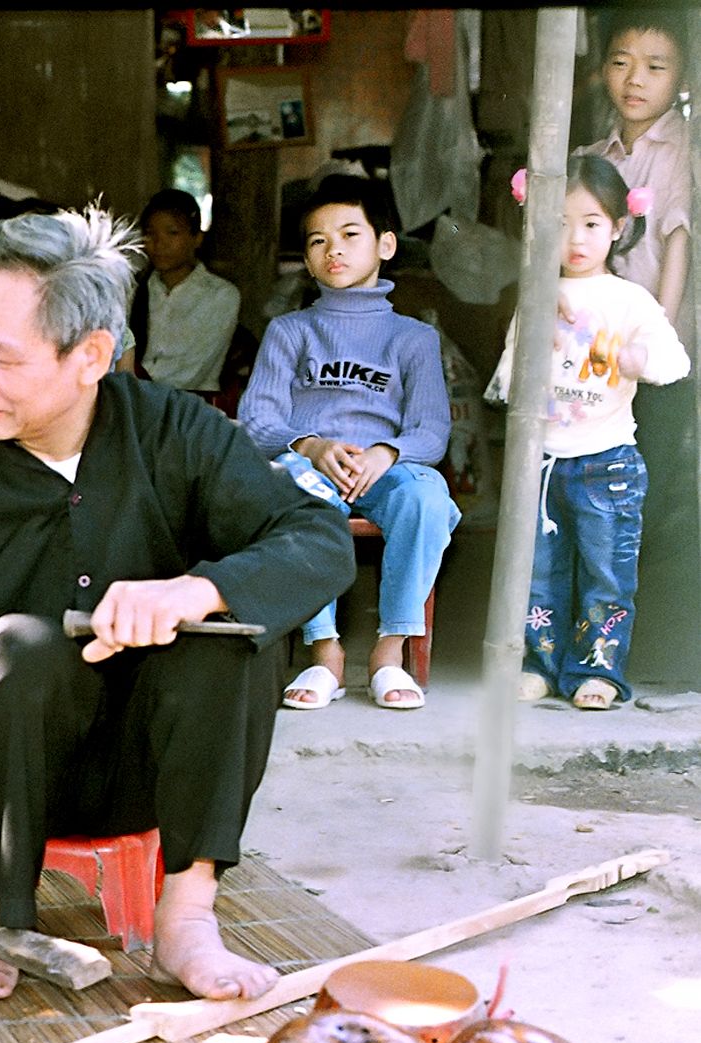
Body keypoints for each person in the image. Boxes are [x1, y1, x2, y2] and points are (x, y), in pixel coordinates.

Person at [0, 206, 354, 1003]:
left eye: (2, 358)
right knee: (23, 647)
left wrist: (195, 588)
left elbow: (319, 540)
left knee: (232, 626)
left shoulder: (175, 431)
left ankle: (186, 914)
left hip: (156, 765)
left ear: (91, 356)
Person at [238, 174, 459, 711]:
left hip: (386, 469)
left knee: (426, 496)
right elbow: (256, 420)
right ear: (307, 262)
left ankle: (389, 652)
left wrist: (387, 453)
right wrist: (310, 446)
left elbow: (431, 430)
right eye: (317, 240)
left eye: (350, 233)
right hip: (312, 466)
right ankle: (325, 652)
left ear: (385, 244)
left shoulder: (413, 337)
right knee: (291, 486)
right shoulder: (289, 332)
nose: (333, 248)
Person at [486, 156, 690, 709]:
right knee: (539, 575)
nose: (575, 238)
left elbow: (674, 363)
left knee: (606, 576)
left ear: (620, 227)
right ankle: (540, 665)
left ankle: (598, 671)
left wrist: (635, 356)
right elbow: (506, 379)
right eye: (560, 223)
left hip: (608, 464)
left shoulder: (630, 300)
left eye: (592, 223)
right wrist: (533, 350)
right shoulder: (537, 296)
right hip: (544, 462)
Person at [576, 12, 690, 333]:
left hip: (650, 343)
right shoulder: (591, 157)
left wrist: (657, 339)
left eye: (655, 67)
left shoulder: (682, 153)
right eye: (621, 63)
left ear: (682, 79)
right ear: (603, 70)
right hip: (596, 337)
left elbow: (677, 242)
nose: (635, 80)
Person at [128, 188, 241, 395]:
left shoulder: (220, 295)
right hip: (134, 401)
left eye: (172, 233)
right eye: (150, 233)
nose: (159, 243)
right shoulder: (134, 291)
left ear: (197, 238)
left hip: (190, 404)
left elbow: (191, 371)